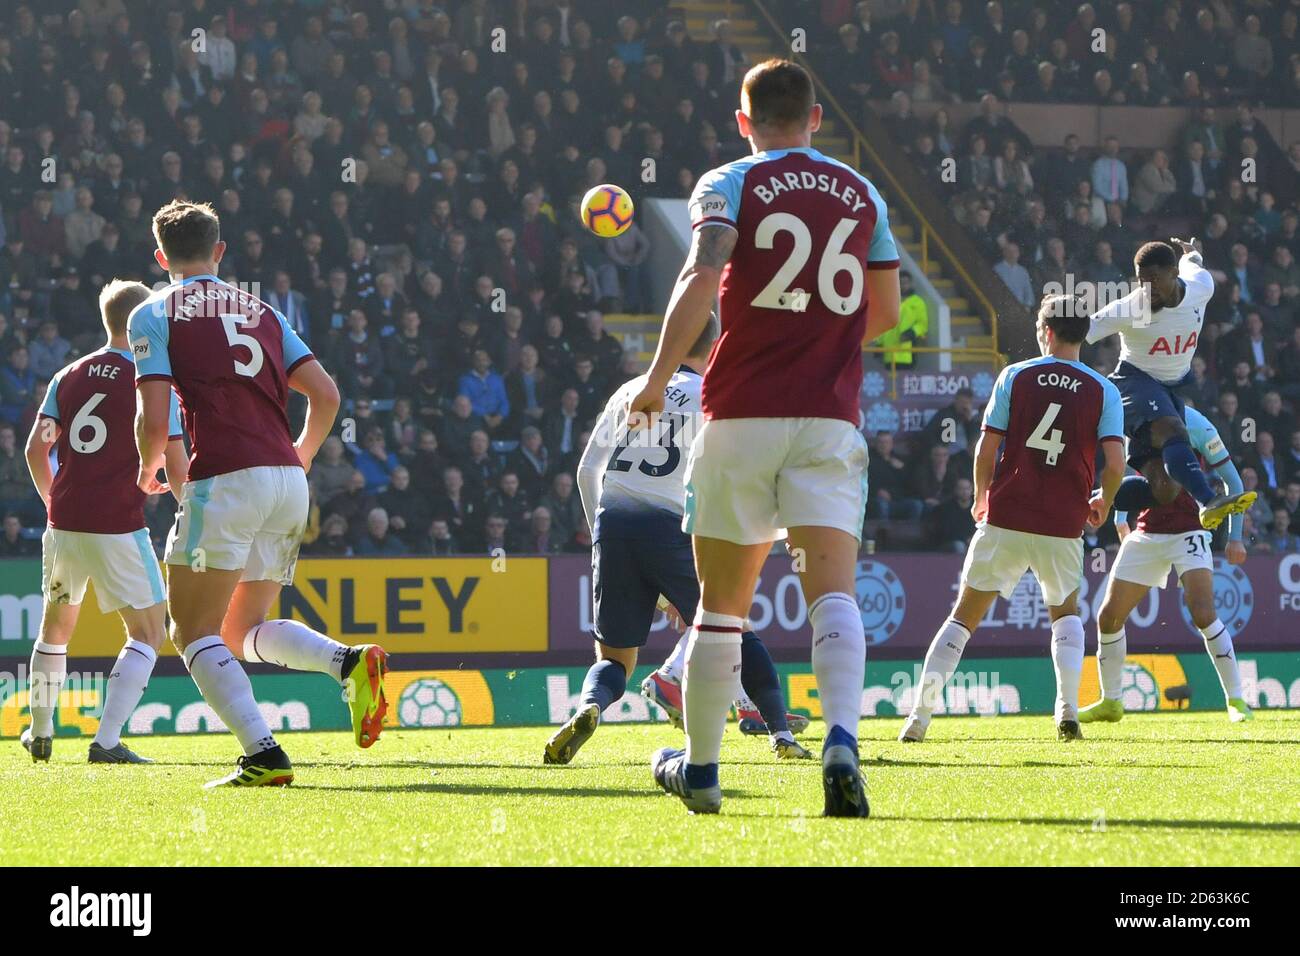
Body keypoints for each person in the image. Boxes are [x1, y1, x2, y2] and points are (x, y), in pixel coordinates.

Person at [628, 59, 901, 816]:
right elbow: (886, 312)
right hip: (827, 419)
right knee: (833, 596)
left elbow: (699, 274)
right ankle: (842, 740)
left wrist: (656, 378)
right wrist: (822, 340)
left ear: (742, 121)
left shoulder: (729, 182)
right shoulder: (863, 191)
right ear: (817, 119)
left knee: (721, 607)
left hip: (741, 414)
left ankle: (703, 772)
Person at [129, 200, 381, 788]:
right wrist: (304, 453)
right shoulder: (263, 310)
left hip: (226, 479)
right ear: (219, 252)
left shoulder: (154, 312)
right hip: (288, 484)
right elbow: (327, 395)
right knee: (242, 631)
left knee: (191, 631)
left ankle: (263, 755)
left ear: (162, 257)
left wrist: (148, 466)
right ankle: (346, 663)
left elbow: (153, 410)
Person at [547, 318, 811, 767]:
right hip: (671, 527)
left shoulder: (629, 391)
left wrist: (600, 538)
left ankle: (588, 707)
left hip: (613, 524)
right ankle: (780, 733)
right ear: (713, 349)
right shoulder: (711, 397)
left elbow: (586, 471)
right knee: (734, 627)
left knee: (615, 658)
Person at [899, 294, 1126, 743]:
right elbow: (1115, 463)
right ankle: (1067, 711)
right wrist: (1104, 502)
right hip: (1063, 521)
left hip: (1008, 514)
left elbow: (986, 448)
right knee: (1065, 615)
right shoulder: (1105, 390)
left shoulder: (1015, 376)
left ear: (1048, 331)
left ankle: (918, 720)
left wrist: (981, 497)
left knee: (962, 618)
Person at [19, 279, 189, 764]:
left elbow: (36, 449)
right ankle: (107, 740)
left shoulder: (66, 375)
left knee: (55, 629)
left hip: (64, 523)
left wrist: (58, 502)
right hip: (117, 523)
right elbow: (173, 460)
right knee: (148, 631)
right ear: (144, 321)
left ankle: (41, 731)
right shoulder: (154, 382)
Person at [1082, 407, 1253, 725]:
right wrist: (1121, 521)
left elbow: (1232, 480)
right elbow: (1123, 474)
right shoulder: (1132, 419)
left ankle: (1236, 700)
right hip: (1148, 533)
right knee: (1108, 617)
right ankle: (1112, 702)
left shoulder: (1197, 423)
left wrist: (1236, 537)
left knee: (1203, 613)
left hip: (1189, 530)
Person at [1087, 239, 1255, 529]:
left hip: (1168, 389)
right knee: (1175, 430)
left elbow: (1195, 264)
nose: (1147, 289)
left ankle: (1085, 498)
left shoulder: (1202, 288)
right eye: (1142, 282)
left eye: (1154, 280)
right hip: (1133, 383)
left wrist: (1192, 253)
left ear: (1173, 273)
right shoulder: (1132, 307)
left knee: (1165, 489)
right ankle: (1207, 499)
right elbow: (1081, 330)